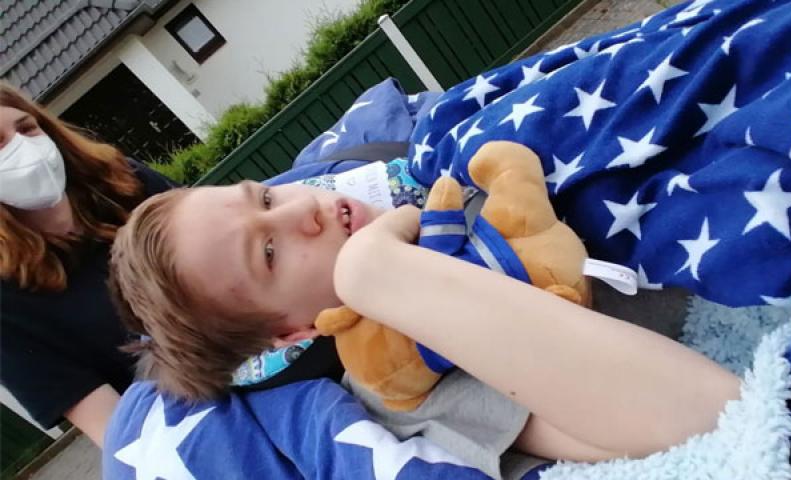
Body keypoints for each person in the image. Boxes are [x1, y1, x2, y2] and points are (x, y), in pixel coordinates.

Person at [109, 176, 738, 465]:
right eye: (269, 252)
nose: (302, 210)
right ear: (292, 334)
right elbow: (700, 416)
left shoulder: (426, 172)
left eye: (267, 196)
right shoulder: (404, 382)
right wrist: (376, 273)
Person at [0, 82, 176, 447]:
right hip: (197, 416)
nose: (22, 148)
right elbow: (121, 435)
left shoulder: (125, 181)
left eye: (26, 128)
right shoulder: (6, 304)